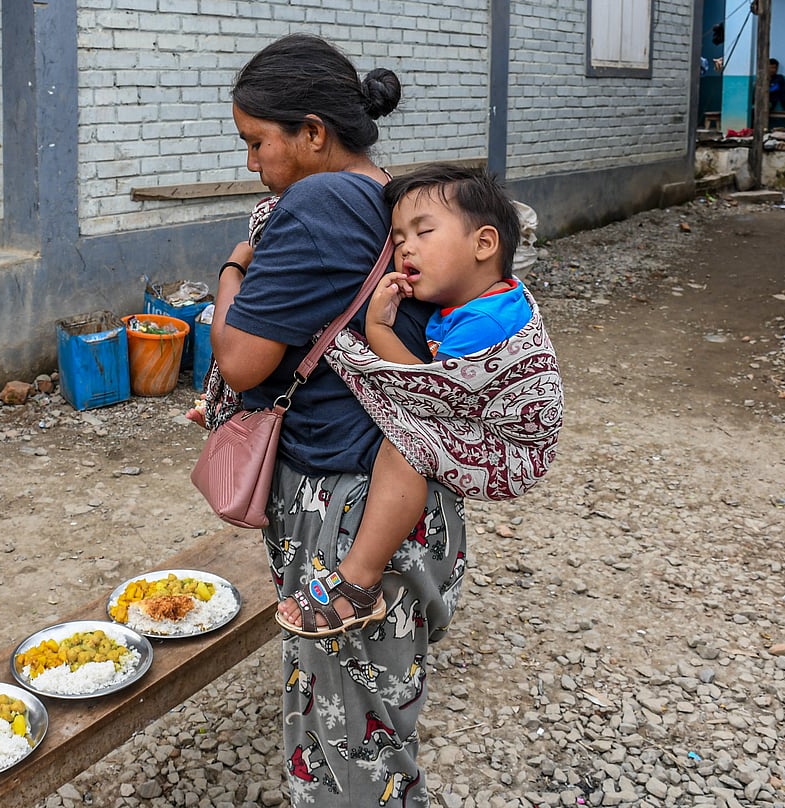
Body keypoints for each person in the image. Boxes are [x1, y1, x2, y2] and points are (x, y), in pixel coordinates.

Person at [211, 33, 467, 807]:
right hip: (401, 491)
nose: (254, 164)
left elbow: (240, 361)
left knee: (343, 743)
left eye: (259, 143)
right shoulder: (389, 195)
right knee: (376, 726)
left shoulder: (320, 201)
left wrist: (232, 268)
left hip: (344, 505)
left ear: (314, 132)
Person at [273, 164, 528, 639]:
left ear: (484, 244)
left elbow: (423, 390)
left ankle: (359, 581)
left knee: (405, 447)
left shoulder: (484, 326)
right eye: (398, 237)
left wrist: (374, 333)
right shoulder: (479, 303)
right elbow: (427, 381)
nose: (405, 247)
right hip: (476, 427)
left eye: (423, 232)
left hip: (507, 446)